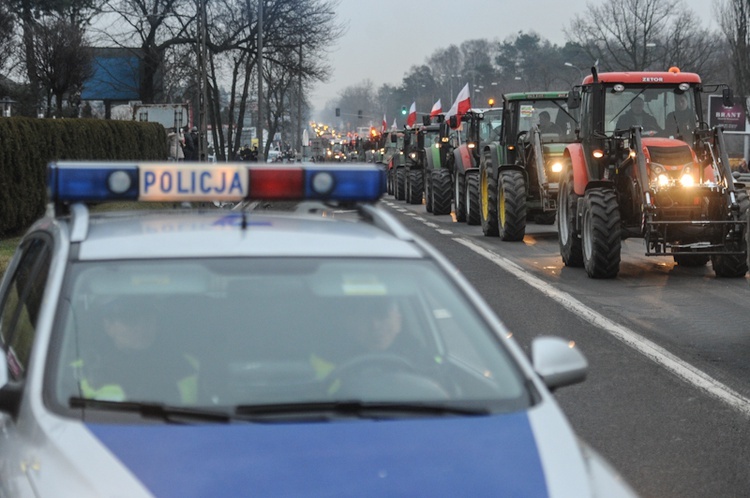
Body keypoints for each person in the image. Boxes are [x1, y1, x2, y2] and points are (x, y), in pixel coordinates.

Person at [74, 298, 198, 404]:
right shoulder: (84, 368)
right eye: (130, 320)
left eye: (148, 318)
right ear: (108, 326)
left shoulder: (186, 364)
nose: (142, 328)